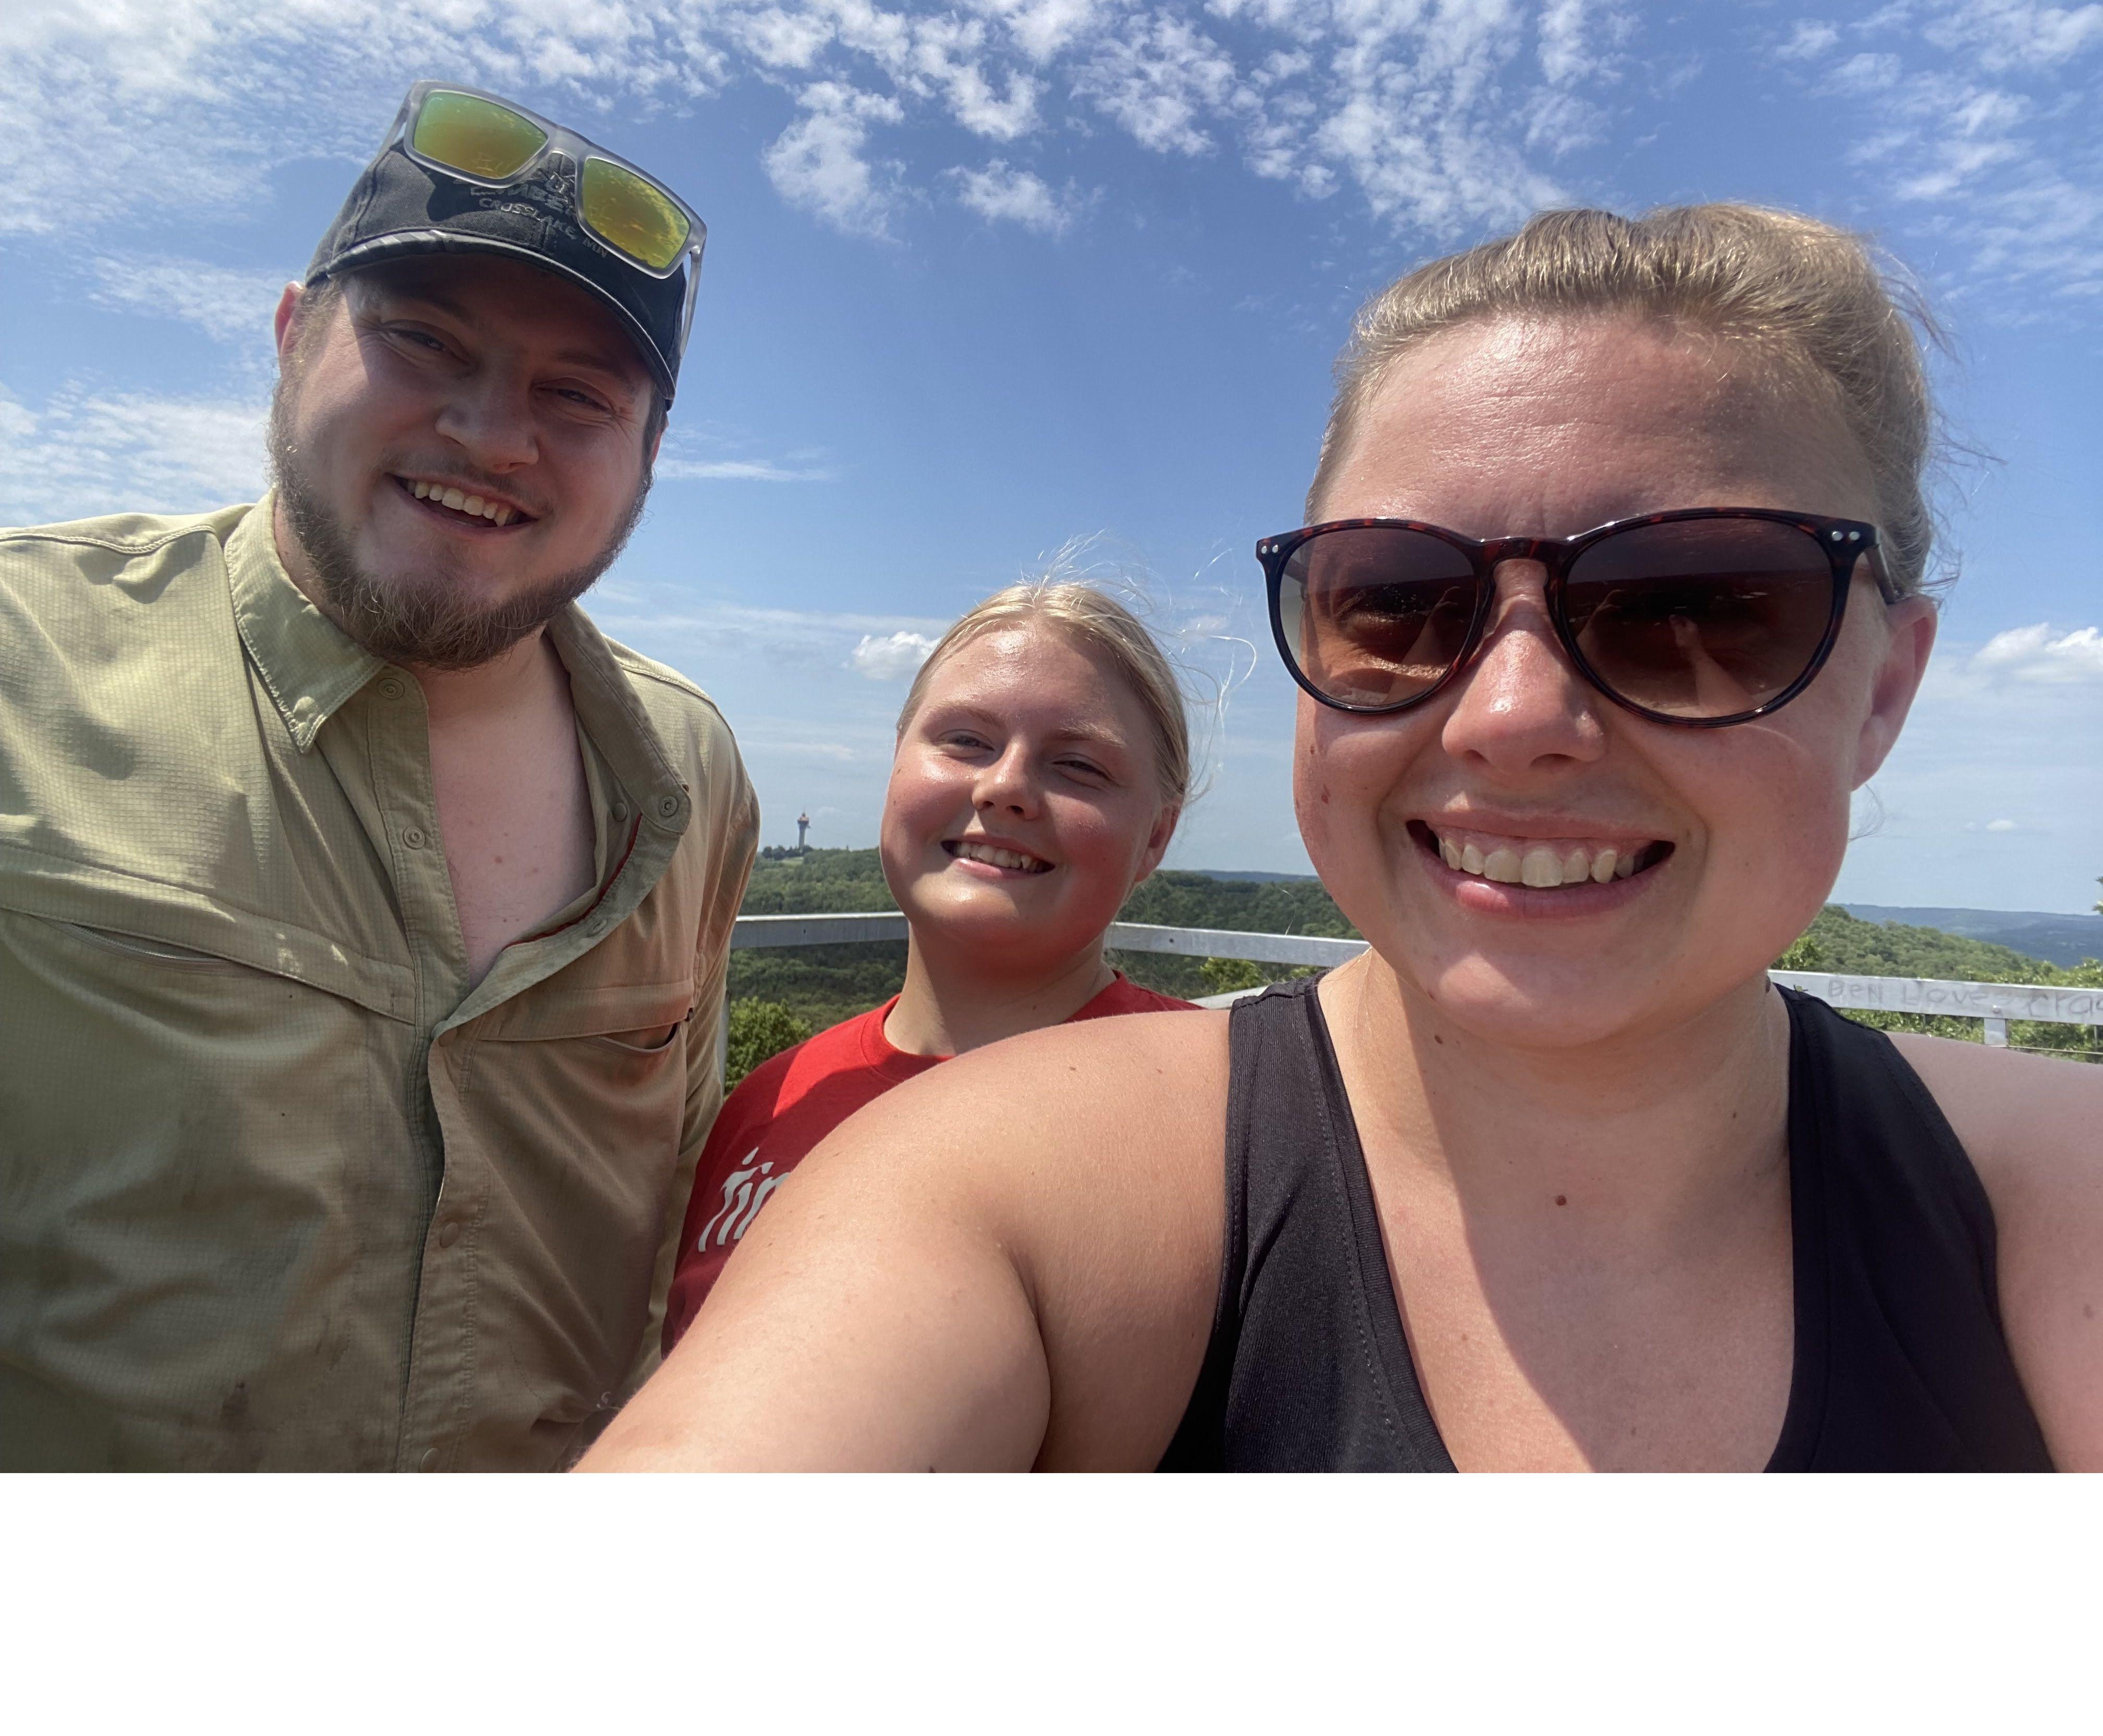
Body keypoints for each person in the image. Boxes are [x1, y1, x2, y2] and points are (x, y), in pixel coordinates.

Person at [584, 203, 2103, 1473]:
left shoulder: (2055, 1208)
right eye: (1398, 600)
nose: (1513, 712)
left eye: (1698, 605)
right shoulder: (997, 1187)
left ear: (1886, 686)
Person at [0, 82, 758, 1470]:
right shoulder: (23, 653)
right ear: (291, 342)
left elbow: (661, 1225)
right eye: (421, 340)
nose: (491, 432)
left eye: (578, 395)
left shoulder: (688, 774)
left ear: (649, 461)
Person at [663, 582, 1198, 1349]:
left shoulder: (1220, 1110)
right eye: (966, 741)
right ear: (896, 766)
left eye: (1078, 765)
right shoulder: (770, 1102)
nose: (1006, 786)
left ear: (1155, 838)